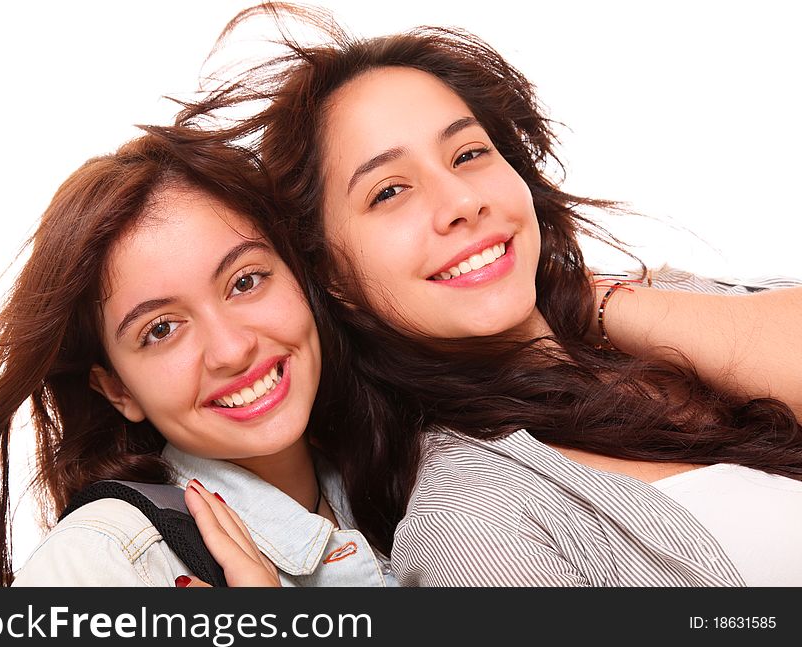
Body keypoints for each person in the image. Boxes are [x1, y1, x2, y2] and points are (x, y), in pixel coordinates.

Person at [175, 2, 802, 585]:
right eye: (388, 191)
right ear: (334, 278)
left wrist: (598, 302)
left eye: (469, 153)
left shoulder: (660, 302)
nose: (461, 202)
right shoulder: (471, 522)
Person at [0, 126, 394, 588]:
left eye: (245, 282)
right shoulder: (103, 561)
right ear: (118, 389)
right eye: (160, 329)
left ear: (301, 275)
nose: (231, 350)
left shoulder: (407, 482)